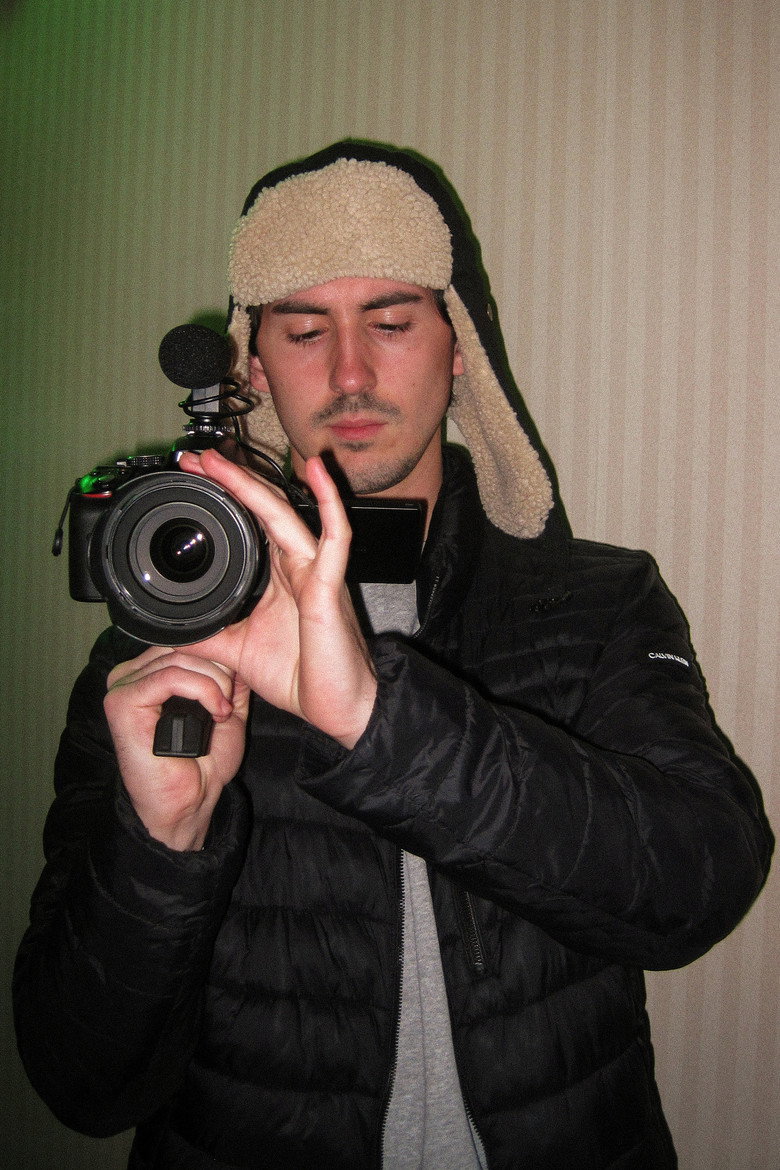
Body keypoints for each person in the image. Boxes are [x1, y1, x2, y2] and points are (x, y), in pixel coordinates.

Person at [14, 140, 773, 1170]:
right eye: (303, 330)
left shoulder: (595, 604)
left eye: (392, 322)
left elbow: (703, 884)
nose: (351, 373)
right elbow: (81, 1084)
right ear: (251, 367)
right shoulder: (162, 659)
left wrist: (378, 722)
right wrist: (162, 846)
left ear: (459, 350)